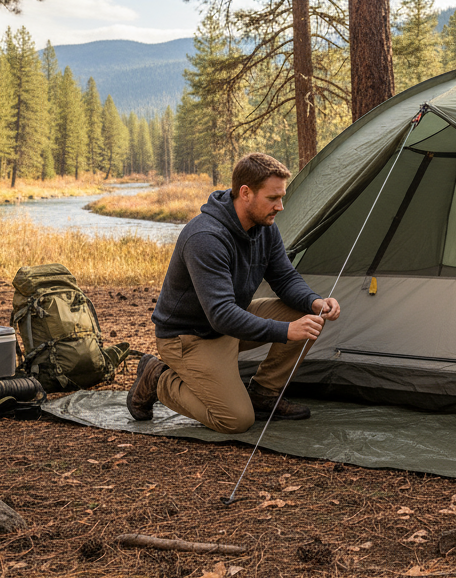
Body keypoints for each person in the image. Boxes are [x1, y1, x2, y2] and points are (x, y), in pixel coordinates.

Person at [127, 152, 340, 432]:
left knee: (307, 315)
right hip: (190, 337)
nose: (281, 206)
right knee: (236, 420)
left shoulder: (265, 227)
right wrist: (287, 331)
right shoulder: (205, 238)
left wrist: (314, 301)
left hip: (230, 324)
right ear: (246, 193)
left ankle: (264, 394)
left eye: (282, 197)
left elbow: (285, 277)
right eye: (273, 198)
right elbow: (221, 315)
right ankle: (158, 378)